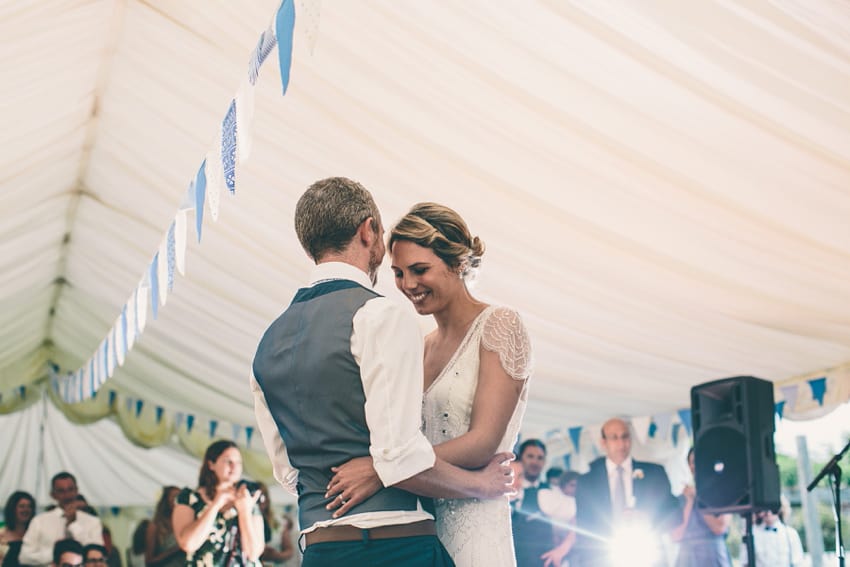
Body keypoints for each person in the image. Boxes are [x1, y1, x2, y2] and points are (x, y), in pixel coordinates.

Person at [251, 178, 515, 567]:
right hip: (395, 547)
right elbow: (399, 458)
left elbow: (289, 473)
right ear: (368, 230)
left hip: (321, 550)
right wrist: (480, 485)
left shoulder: (267, 341)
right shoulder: (380, 315)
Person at [315, 198, 532, 565]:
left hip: (474, 530)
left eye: (419, 269)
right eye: (399, 273)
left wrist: (381, 469)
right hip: (417, 535)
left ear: (458, 263)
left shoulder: (500, 325)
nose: (408, 284)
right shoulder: (419, 344)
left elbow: (482, 443)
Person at [572, 418, 680, 567]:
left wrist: (648, 518)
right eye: (614, 438)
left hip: (647, 556)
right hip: (602, 559)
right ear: (603, 443)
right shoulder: (587, 482)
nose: (621, 444)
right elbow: (583, 527)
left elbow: (674, 513)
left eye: (625, 437)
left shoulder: (654, 473)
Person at [172, 440, 264, 567]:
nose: (234, 467)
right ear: (211, 464)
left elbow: (253, 553)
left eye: (238, 462)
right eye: (228, 461)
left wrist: (244, 511)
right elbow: (188, 544)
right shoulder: (189, 498)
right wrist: (215, 505)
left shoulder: (248, 500)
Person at [20, 473, 103, 566]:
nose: (67, 495)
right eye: (61, 491)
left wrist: (73, 525)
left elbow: (95, 554)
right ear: (53, 495)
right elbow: (24, 557)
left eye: (70, 490)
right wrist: (58, 555)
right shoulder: (39, 521)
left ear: (77, 491)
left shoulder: (93, 522)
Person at [670, 448, 731, 567]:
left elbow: (719, 527)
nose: (695, 465)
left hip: (713, 555)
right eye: (692, 462)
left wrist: (698, 497)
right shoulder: (682, 497)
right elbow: (676, 535)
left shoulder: (722, 493)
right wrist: (689, 501)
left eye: (699, 461)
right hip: (687, 557)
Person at [512, 439, 552, 567]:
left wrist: (562, 549)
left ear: (544, 462)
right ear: (521, 458)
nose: (535, 462)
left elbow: (577, 517)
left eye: (540, 458)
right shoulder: (508, 490)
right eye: (530, 456)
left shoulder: (550, 492)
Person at [739, 500, 803, 567]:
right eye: (765, 509)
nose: (769, 513)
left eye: (773, 509)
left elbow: (798, 563)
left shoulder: (790, 533)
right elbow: (744, 563)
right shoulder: (751, 534)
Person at [538, 471, 579, 567]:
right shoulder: (549, 496)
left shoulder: (577, 502)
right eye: (572, 485)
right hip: (548, 547)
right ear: (563, 486)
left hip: (571, 551)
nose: (576, 489)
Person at [144, 487, 184, 567]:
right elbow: (149, 561)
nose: (179, 499)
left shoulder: (184, 522)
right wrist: (175, 551)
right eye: (175, 496)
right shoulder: (155, 526)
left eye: (181, 496)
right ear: (166, 501)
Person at [255, 483, 293, 565]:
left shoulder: (279, 522)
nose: (258, 500)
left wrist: (277, 556)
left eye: (261, 496)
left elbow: (289, 550)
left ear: (267, 499)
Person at [1, 491, 36, 567]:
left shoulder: (36, 533)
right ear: (12, 509)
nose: (26, 510)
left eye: (29, 506)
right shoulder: (1, 535)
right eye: (22, 506)